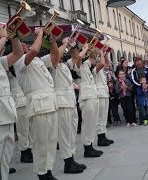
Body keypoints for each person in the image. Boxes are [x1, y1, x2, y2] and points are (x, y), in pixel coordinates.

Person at [14, 27, 59, 179]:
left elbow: (55, 55)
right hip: (38, 107)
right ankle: (41, 174)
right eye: (23, 44)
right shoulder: (18, 63)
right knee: (40, 144)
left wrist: (51, 40)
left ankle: (48, 171)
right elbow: (33, 51)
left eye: (27, 44)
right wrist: (40, 34)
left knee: (51, 142)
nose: (26, 46)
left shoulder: (38, 60)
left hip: (50, 104)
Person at [0, 25, 23, 180]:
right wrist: (3, 38)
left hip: (7, 116)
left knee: (4, 163)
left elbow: (18, 53)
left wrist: (13, 36)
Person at [53, 37, 87, 174]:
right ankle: (67, 162)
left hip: (70, 101)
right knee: (65, 135)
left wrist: (74, 44)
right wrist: (64, 43)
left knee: (72, 133)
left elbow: (76, 57)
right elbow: (56, 55)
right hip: (61, 104)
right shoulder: (50, 62)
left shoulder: (65, 64)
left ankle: (71, 160)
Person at [73, 45, 105, 156]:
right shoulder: (77, 66)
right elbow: (79, 58)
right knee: (87, 123)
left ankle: (90, 145)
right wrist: (85, 48)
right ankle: (87, 147)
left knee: (92, 122)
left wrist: (95, 49)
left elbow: (91, 58)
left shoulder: (86, 65)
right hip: (86, 98)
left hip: (92, 96)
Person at [8, 43, 33, 164]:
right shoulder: (13, 62)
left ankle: (29, 149)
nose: (25, 47)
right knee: (23, 128)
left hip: (26, 98)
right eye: (22, 46)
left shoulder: (24, 60)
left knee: (29, 127)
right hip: (19, 99)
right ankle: (25, 152)